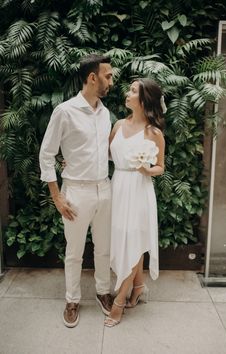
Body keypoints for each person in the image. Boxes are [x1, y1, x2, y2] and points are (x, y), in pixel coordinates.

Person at [39, 54, 114, 328]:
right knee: (74, 251)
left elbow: (105, 152)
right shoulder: (65, 111)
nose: (111, 81)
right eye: (108, 75)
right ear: (92, 78)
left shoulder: (105, 112)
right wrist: (57, 196)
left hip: (105, 189)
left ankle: (103, 292)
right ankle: (72, 299)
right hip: (76, 192)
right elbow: (46, 154)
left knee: (104, 248)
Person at [104, 78, 166, 327]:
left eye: (132, 91)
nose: (126, 93)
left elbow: (161, 166)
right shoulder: (118, 125)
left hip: (139, 190)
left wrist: (146, 170)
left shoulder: (154, 133)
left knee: (134, 239)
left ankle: (119, 301)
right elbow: (104, 154)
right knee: (125, 239)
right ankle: (138, 286)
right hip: (118, 186)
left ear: (143, 100)